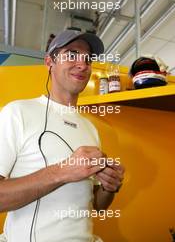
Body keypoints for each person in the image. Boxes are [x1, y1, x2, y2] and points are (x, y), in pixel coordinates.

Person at [0, 29, 124, 242]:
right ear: (49, 61)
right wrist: (63, 171)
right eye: (72, 54)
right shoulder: (17, 112)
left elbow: (97, 205)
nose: (82, 64)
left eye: (88, 59)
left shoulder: (90, 128)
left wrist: (109, 187)